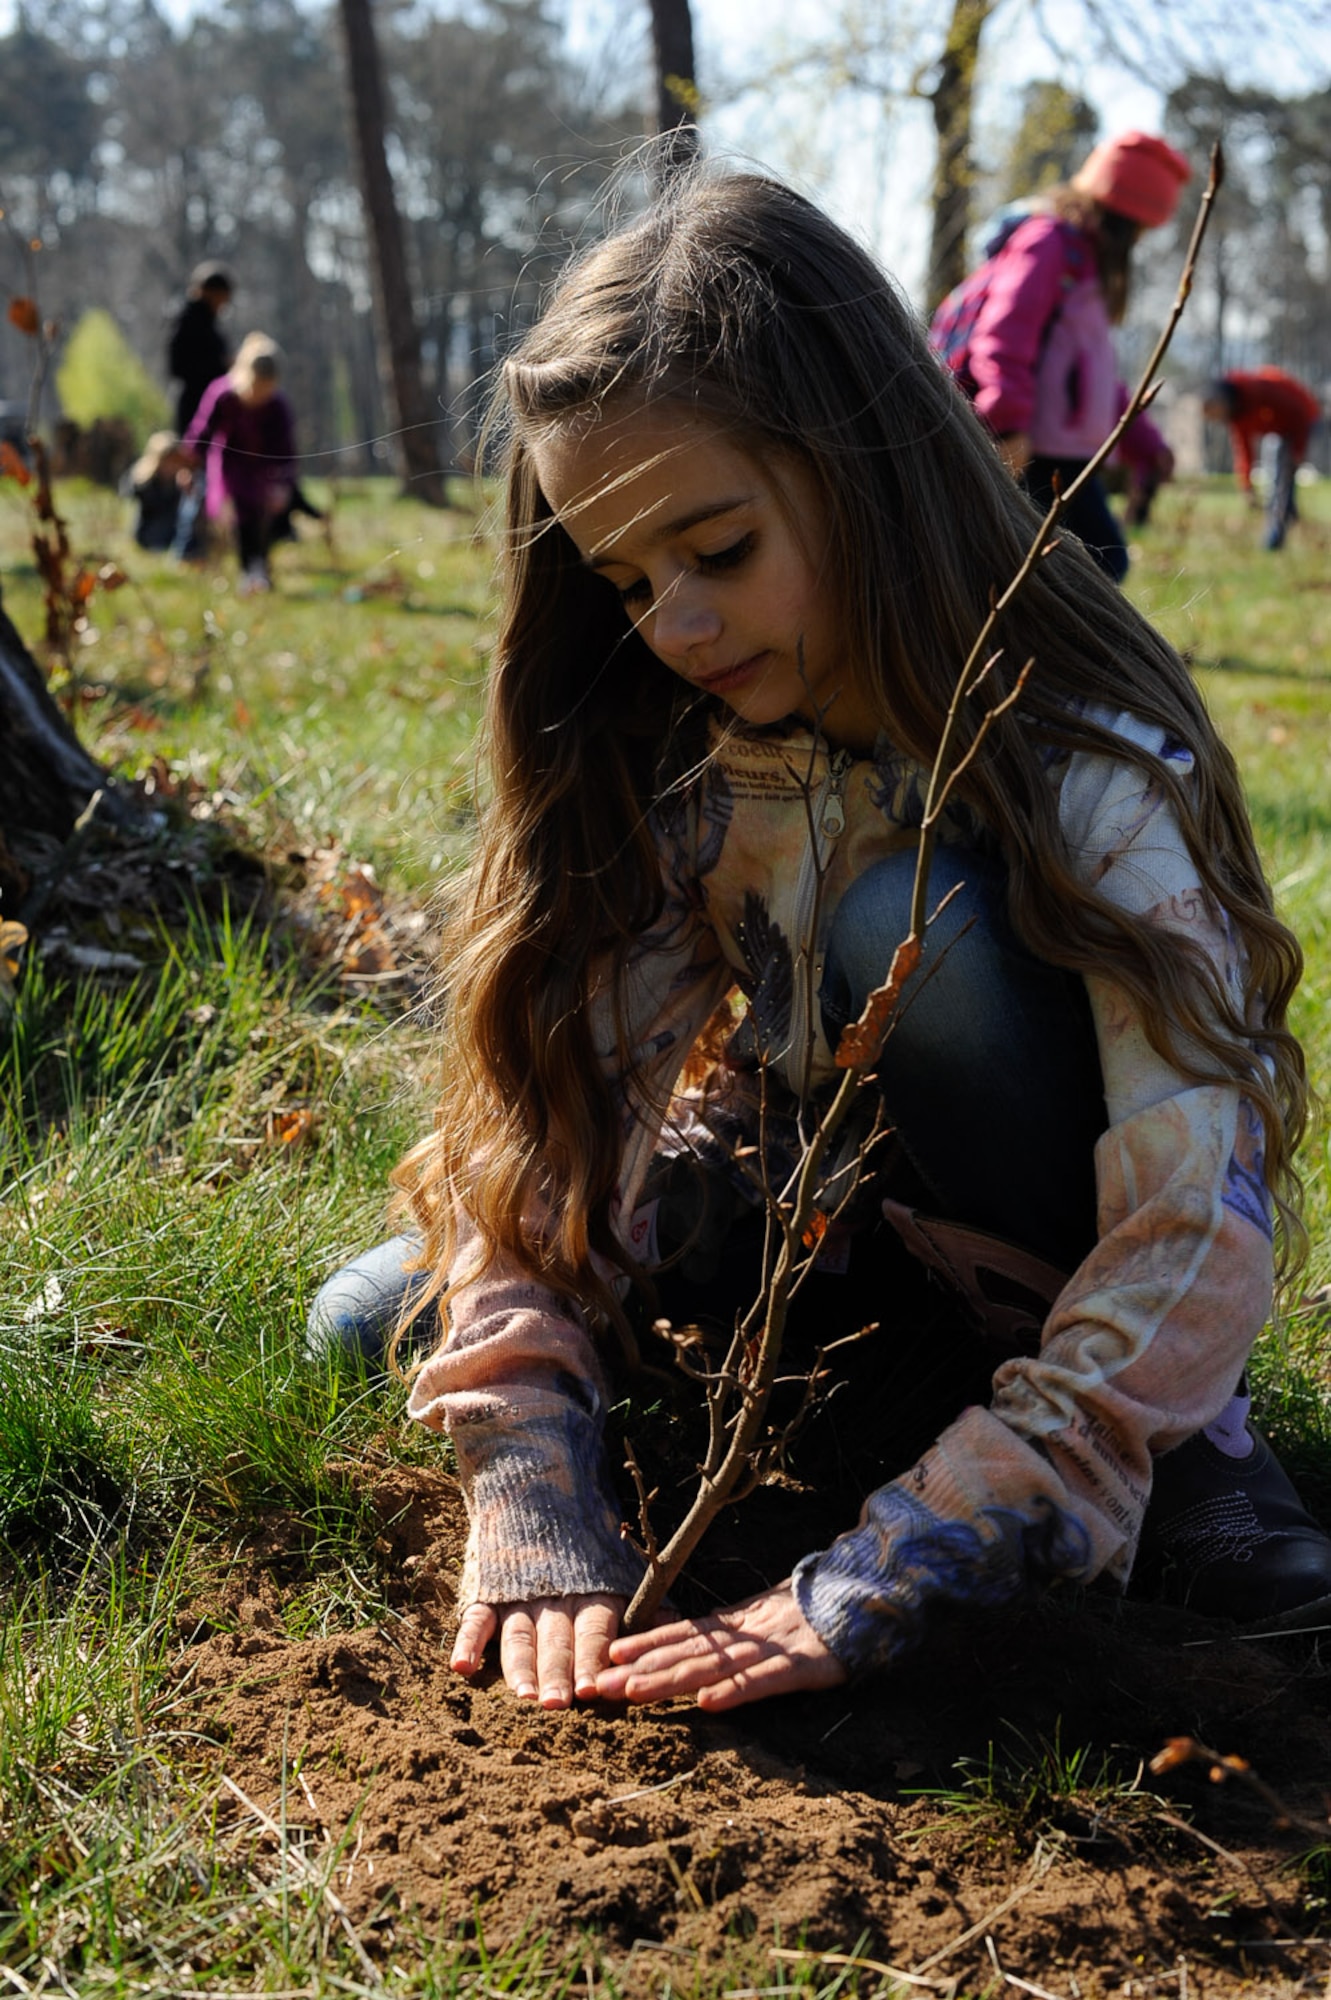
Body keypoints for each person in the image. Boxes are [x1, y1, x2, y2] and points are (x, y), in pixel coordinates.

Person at [308, 167, 1331, 1715]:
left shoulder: (1084, 767)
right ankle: (886, 1409)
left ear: (866, 471)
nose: (677, 628)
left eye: (717, 553)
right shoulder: (690, 758)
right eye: (627, 580)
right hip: (816, 1248)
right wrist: (530, 1481)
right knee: (365, 1319)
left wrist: (888, 1567)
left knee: (898, 919)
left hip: (1071, 1308)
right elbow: (551, 1141)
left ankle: (1174, 1454)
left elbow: (1193, 1212)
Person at [930, 131, 1189, 582]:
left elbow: (1098, 382)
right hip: (1031, 448)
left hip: (1063, 451)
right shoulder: (1050, 244)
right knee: (1096, 567)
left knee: (1079, 571)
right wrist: (1007, 424)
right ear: (1127, 217)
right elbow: (1004, 334)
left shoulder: (1083, 264)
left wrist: (1145, 444)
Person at [182, 332, 296, 593]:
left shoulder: (278, 406)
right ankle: (249, 571)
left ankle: (260, 568)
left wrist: (283, 484)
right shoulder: (224, 395)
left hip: (263, 472)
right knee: (241, 515)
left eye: (266, 389)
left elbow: (287, 451)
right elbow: (202, 433)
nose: (259, 394)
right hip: (229, 467)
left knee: (266, 516)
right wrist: (188, 465)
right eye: (255, 387)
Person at [1202, 368, 1323, 551]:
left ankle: (1277, 531)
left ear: (1222, 400)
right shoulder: (1236, 414)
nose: (1217, 419)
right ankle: (1286, 515)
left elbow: (1297, 411)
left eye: (1215, 412)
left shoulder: (1257, 390)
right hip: (1279, 429)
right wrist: (1247, 485)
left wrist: (1298, 451)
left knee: (1280, 472)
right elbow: (1243, 449)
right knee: (1277, 470)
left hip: (1303, 419)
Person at [167, 262, 234, 562]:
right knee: (196, 475)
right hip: (195, 410)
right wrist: (221, 367)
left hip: (209, 408)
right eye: (222, 296)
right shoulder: (188, 321)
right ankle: (187, 546)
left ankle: (203, 543)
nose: (225, 304)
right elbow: (179, 367)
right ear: (209, 292)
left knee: (208, 475)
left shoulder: (206, 321)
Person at [123, 430, 192, 552]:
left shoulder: (178, 482)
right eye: (169, 461)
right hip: (147, 537)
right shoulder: (144, 482)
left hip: (170, 537)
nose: (172, 466)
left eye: (176, 461)